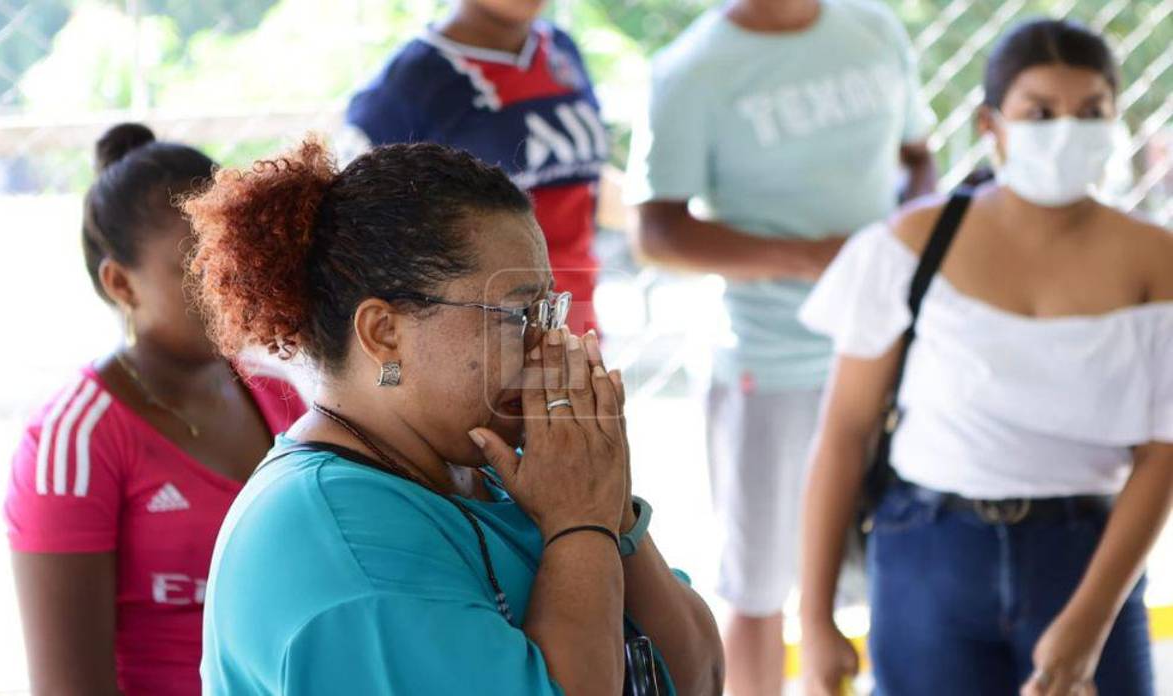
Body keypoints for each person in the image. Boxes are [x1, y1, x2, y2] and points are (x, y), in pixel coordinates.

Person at [185, 139, 723, 695]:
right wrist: (579, 523)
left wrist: (607, 505)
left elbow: (699, 677)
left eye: (549, 310)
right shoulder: (340, 543)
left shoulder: (496, 468)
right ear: (383, 333)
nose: (547, 344)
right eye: (517, 314)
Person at [798, 19, 1172, 696]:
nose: (1067, 130)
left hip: (1085, 556)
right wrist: (816, 616)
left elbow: (1163, 453)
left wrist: (1089, 622)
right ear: (990, 124)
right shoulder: (908, 245)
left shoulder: (1157, 260)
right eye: (1040, 112)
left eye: (1091, 112)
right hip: (928, 551)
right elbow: (843, 437)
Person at [623, 0, 937, 692]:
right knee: (759, 588)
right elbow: (656, 233)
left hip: (893, 346)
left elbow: (919, 158)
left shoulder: (875, 28)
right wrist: (810, 259)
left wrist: (907, 239)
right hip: (770, 360)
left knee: (907, 564)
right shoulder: (693, 69)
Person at [4, 124, 306, 696]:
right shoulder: (76, 438)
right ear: (121, 283)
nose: (225, 285)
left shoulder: (282, 394)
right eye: (193, 268)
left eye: (231, 256)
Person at [345, 0, 609, 334]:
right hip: (483, 351)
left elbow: (579, 186)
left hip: (575, 326)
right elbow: (358, 246)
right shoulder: (403, 90)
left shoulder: (561, 50)